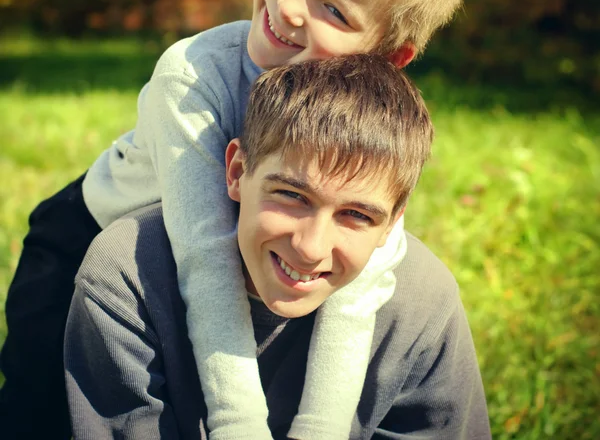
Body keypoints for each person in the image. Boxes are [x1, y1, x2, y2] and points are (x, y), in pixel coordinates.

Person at [0, 0, 473, 440]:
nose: (292, 5)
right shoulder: (194, 76)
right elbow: (206, 252)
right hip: (90, 239)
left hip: (242, 251)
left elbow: (362, 288)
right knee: (39, 410)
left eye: (335, 12)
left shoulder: (364, 124)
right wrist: (237, 426)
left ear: (388, 57)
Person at [65, 55, 491, 439]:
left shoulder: (422, 302)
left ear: (392, 224)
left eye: (357, 216)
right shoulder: (127, 276)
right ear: (236, 170)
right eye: (291, 196)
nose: (310, 247)